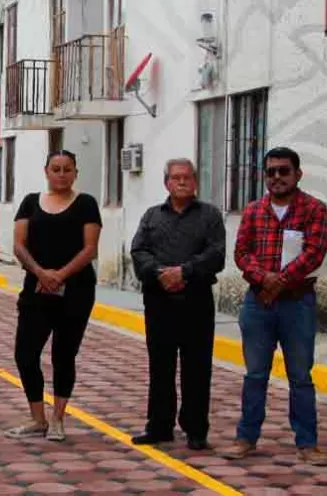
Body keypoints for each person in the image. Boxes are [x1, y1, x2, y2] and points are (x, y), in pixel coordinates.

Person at [223, 146, 327, 465]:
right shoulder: (254, 210)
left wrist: (280, 281)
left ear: (297, 174)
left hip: (297, 304)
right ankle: (246, 438)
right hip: (258, 303)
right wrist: (265, 280)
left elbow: (314, 252)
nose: (277, 177)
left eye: (284, 171)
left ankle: (307, 444)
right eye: (271, 171)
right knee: (255, 374)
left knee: (300, 376)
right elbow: (242, 253)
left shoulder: (314, 209)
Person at [3, 150, 101, 442]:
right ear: (46, 171)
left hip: (76, 291)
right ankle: (37, 419)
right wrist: (41, 272)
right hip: (36, 289)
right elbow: (19, 245)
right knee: (25, 353)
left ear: (75, 173)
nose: (61, 174)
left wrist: (60, 275)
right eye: (56, 169)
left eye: (67, 169)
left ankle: (58, 418)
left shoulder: (86, 204)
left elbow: (89, 249)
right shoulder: (30, 203)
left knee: (63, 354)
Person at [129, 158, 225, 450]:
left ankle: (196, 429)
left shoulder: (209, 215)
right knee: (161, 366)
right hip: (159, 301)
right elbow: (138, 250)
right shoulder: (151, 216)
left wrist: (184, 271)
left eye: (187, 177)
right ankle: (159, 426)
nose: (182, 182)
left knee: (197, 367)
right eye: (175, 177)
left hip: (196, 301)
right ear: (166, 183)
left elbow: (216, 254)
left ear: (195, 182)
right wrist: (160, 274)